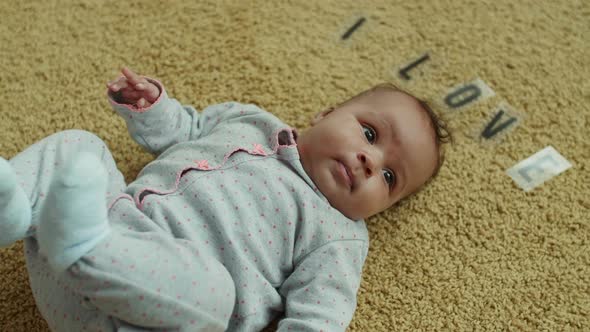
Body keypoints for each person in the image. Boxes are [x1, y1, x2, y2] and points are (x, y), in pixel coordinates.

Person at [0, 67, 450, 331]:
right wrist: (154, 108)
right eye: (369, 134)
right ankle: (12, 207)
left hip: (151, 314)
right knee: (81, 148)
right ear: (327, 113)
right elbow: (187, 129)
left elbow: (321, 315)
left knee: (218, 291)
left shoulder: (339, 237)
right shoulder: (250, 119)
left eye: (390, 177)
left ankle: (85, 247)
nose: (370, 161)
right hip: (76, 259)